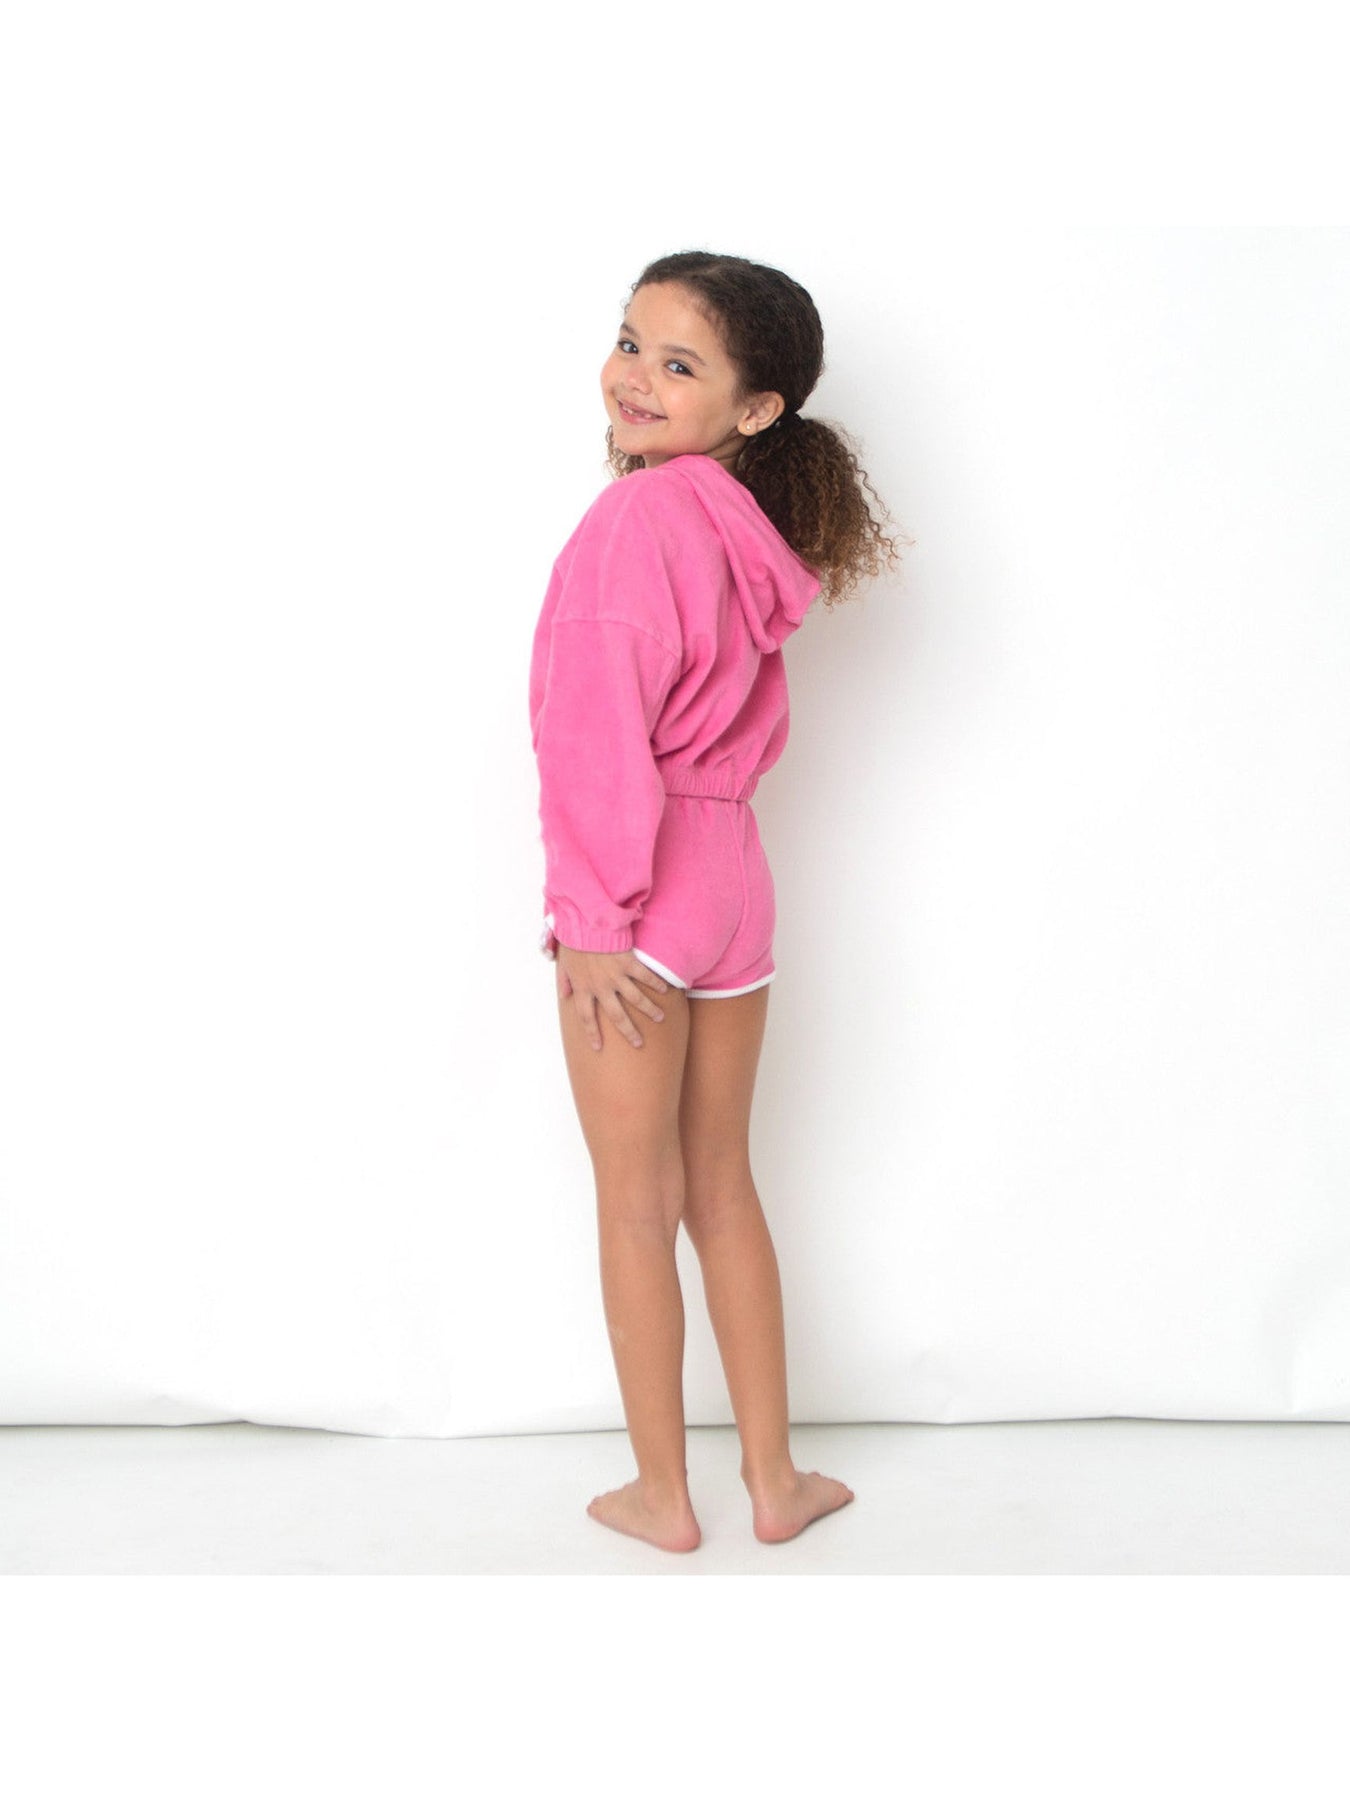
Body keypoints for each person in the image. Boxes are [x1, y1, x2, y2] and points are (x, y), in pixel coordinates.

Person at [529, 250, 902, 1552]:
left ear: (756, 408)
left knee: (638, 1203)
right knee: (723, 1185)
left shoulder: (636, 521)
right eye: (630, 341)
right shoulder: (746, 532)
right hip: (734, 874)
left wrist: (591, 922)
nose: (633, 376)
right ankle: (775, 1480)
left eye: (677, 363)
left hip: (643, 890)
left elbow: (593, 733)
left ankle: (661, 1496)